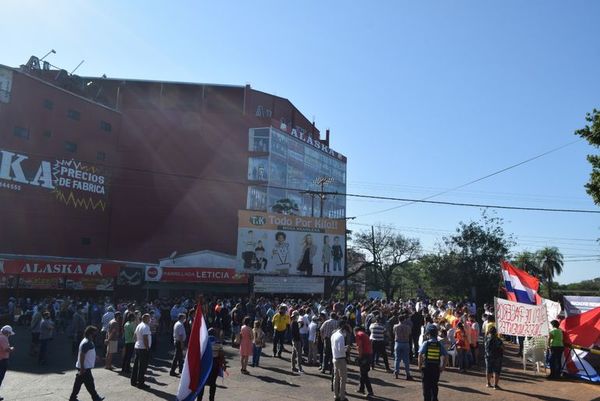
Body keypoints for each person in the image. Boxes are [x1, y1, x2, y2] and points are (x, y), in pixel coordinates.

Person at [69, 325, 105, 401]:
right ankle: (95, 397)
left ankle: (73, 398)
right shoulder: (87, 342)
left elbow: (88, 353)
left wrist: (95, 357)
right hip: (85, 368)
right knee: (90, 384)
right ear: (90, 333)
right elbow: (82, 355)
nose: (96, 335)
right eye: (95, 333)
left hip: (84, 367)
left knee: (79, 384)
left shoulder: (87, 340)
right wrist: (82, 368)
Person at [418, 325, 448, 401]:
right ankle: (434, 398)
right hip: (436, 368)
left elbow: (420, 355)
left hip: (426, 368)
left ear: (428, 334)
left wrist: (419, 366)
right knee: (434, 385)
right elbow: (446, 355)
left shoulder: (426, 343)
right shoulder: (439, 344)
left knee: (426, 386)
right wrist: (443, 367)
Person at [197, 328, 226, 401]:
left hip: (204, 364)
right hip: (214, 364)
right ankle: (211, 398)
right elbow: (221, 354)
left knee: (202, 382)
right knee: (213, 383)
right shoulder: (218, 342)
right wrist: (224, 364)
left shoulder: (203, 341)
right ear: (215, 334)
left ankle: (199, 399)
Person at [131, 313, 151, 389]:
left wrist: (137, 343)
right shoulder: (146, 327)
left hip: (138, 347)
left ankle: (133, 381)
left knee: (136, 365)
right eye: (149, 318)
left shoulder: (139, 325)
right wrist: (147, 348)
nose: (150, 320)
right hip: (143, 348)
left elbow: (134, 336)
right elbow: (145, 338)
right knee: (142, 366)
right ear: (146, 318)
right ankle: (141, 383)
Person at [354, 326, 374, 397]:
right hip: (369, 354)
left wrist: (359, 357)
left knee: (364, 374)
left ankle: (370, 391)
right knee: (362, 373)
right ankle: (361, 388)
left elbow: (360, 347)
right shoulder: (364, 334)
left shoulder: (358, 335)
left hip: (364, 355)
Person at [331, 321, 348, 401]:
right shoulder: (341, 336)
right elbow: (341, 349)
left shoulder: (333, 335)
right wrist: (346, 348)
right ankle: (342, 397)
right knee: (343, 379)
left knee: (336, 378)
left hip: (334, 358)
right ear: (343, 329)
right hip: (341, 359)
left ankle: (336, 395)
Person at [393, 314, 413, 380]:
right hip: (405, 343)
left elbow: (394, 333)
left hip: (398, 343)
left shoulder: (395, 326)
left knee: (397, 359)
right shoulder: (408, 327)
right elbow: (409, 334)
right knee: (406, 360)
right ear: (404, 320)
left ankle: (396, 373)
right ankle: (407, 373)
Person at [0, 325, 15, 400]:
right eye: (9, 334)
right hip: (2, 360)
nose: (9, 335)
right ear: (7, 332)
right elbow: (6, 349)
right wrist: (11, 349)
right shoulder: (3, 338)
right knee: (0, 377)